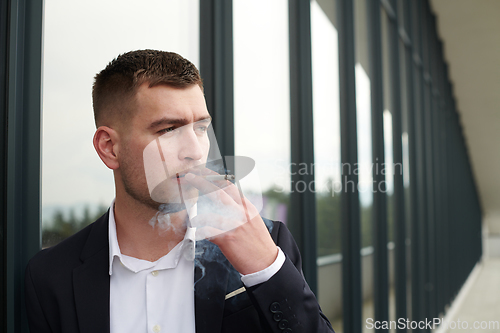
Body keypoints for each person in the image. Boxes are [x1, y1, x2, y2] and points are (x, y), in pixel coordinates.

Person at [25, 50, 334, 333]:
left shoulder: (268, 242)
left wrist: (266, 270)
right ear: (109, 148)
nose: (196, 152)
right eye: (168, 130)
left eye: (201, 128)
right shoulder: (51, 277)